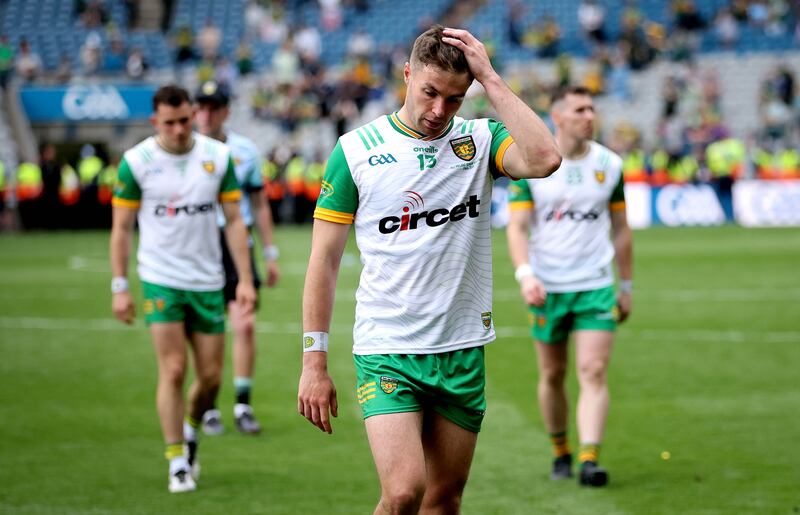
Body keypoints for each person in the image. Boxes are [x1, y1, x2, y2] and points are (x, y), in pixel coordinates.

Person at [298, 26, 561, 513]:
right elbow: (324, 261)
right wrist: (314, 361)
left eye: (456, 99)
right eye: (430, 92)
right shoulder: (355, 151)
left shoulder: (481, 140)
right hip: (388, 348)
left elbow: (545, 159)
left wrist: (491, 79)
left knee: (443, 501)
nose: (440, 110)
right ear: (407, 74)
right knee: (402, 494)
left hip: (461, 348)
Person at [109, 85, 256, 493]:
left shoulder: (218, 157)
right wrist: (120, 286)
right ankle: (176, 459)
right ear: (155, 122)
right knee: (173, 369)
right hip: (160, 278)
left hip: (208, 281)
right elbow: (121, 229)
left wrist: (244, 279)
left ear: (193, 115)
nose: (178, 130)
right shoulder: (136, 162)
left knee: (210, 380)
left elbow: (235, 219)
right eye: (169, 123)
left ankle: (190, 432)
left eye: (184, 120)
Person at [505, 86, 633, 487]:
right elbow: (518, 226)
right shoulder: (534, 165)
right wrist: (526, 275)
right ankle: (561, 450)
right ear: (557, 117)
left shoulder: (610, 165)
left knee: (593, 370)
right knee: (553, 373)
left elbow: (621, 229)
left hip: (595, 284)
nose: (589, 115)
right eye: (579, 109)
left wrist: (625, 284)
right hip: (548, 287)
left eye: (593, 107)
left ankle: (590, 458)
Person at [194, 80, 280, 436]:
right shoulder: (189, 149)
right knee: (207, 329)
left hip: (238, 242)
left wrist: (270, 252)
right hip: (199, 244)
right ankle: (210, 405)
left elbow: (259, 204)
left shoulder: (244, 150)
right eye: (202, 107)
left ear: (226, 111)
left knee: (243, 323)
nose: (207, 114)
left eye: (214, 107)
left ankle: (243, 403)